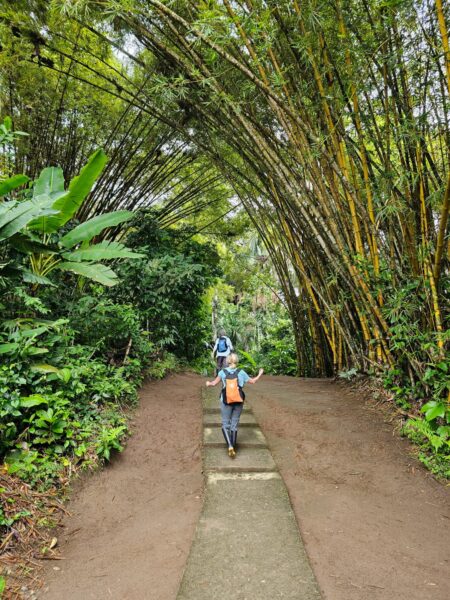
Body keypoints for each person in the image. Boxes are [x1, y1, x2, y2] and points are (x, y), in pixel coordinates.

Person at [206, 353, 264, 458]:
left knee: (225, 424)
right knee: (234, 424)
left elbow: (213, 383)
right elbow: (253, 381)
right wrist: (260, 373)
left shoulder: (222, 372)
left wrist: (208, 383)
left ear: (227, 361)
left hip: (226, 401)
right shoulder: (241, 372)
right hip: (238, 401)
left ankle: (230, 446)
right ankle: (233, 446)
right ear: (237, 361)